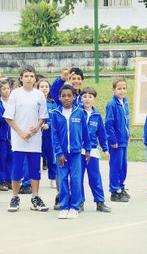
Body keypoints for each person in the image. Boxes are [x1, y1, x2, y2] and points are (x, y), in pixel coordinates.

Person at [4, 65, 49, 213]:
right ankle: (15, 197)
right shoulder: (15, 94)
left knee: (34, 169)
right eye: (26, 76)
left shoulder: (39, 95)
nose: (29, 79)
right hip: (19, 139)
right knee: (17, 169)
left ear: (35, 79)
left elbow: (43, 116)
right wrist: (20, 132)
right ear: (21, 78)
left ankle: (35, 197)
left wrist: (37, 126)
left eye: (32, 76)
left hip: (35, 139)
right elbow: (9, 117)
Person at [51, 84, 91, 219]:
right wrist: (59, 152)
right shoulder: (56, 114)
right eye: (64, 96)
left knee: (75, 179)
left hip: (75, 153)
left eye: (69, 96)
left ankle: (74, 207)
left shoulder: (79, 112)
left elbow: (85, 132)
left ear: (74, 97)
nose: (67, 98)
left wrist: (88, 149)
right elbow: (54, 135)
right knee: (62, 179)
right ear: (59, 98)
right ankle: (64, 207)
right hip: (61, 154)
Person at [80, 87, 111, 213]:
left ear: (94, 99)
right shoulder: (77, 112)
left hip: (92, 151)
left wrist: (105, 149)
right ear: (81, 98)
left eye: (90, 97)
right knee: (78, 178)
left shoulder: (97, 115)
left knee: (95, 177)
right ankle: (79, 202)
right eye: (85, 96)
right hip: (79, 151)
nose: (87, 99)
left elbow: (102, 134)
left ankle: (100, 202)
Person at [105, 77, 130, 202]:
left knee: (123, 166)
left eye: (124, 88)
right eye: (119, 88)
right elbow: (109, 124)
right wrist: (113, 140)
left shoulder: (125, 102)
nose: (122, 91)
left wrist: (128, 135)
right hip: (116, 142)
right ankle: (114, 190)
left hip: (124, 140)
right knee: (115, 166)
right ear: (113, 89)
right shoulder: (112, 104)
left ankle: (121, 186)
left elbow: (126, 122)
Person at [37, 79, 57, 188]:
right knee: (35, 157)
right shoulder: (34, 102)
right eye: (41, 86)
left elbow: (55, 118)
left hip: (49, 134)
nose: (44, 88)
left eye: (46, 86)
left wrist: (48, 124)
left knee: (51, 157)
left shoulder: (52, 103)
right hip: (36, 133)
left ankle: (53, 178)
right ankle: (32, 180)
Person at [0, 80, 13, 191]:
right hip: (1, 135)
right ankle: (0, 181)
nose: (6, 91)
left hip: (12, 135)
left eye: (8, 88)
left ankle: (9, 180)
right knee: (1, 158)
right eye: (4, 89)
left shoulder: (12, 101)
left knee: (10, 158)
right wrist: (9, 117)